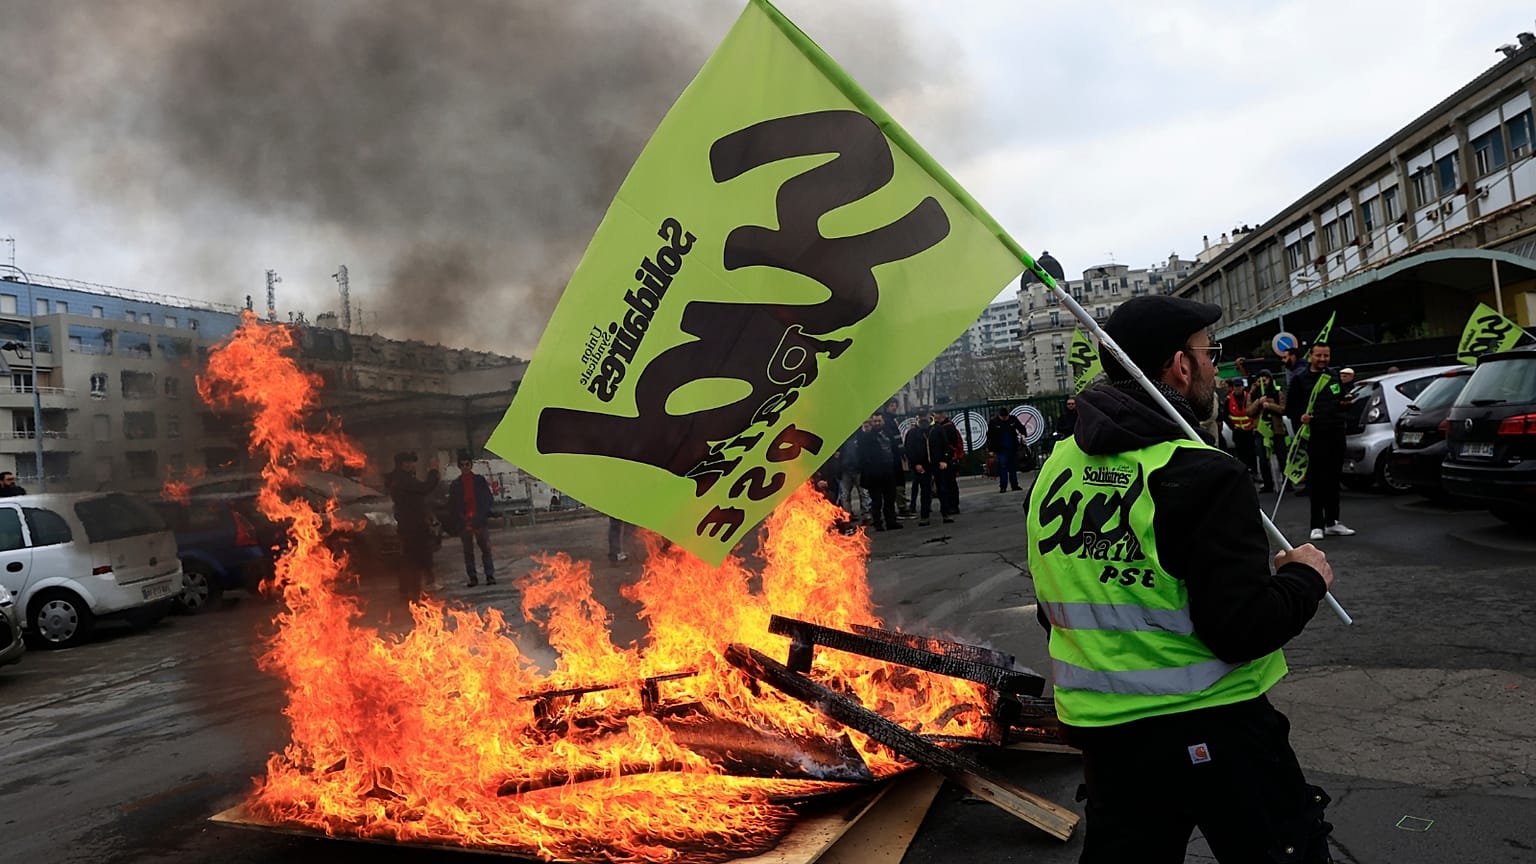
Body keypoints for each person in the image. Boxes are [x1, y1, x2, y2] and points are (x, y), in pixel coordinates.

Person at [1027, 295, 1337, 863]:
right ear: (1180, 365)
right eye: (1209, 353)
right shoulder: (1202, 474)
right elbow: (1240, 630)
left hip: (1107, 740)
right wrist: (1304, 579)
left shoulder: (1058, 467)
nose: (1215, 367)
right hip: (1217, 727)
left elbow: (1052, 603)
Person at [1287, 343, 1356, 541]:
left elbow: (1340, 400)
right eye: (1319, 355)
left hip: (1335, 432)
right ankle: (1316, 524)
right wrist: (1301, 416)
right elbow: (1291, 408)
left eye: (1326, 355)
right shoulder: (1300, 379)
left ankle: (1333, 521)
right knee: (1317, 481)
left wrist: (1346, 403)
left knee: (1334, 479)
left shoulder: (1334, 376)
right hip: (1315, 436)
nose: (1323, 359)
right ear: (1311, 356)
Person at [384, 451, 440, 600]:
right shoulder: (403, 480)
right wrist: (434, 471)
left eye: (412, 462)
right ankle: (413, 592)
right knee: (414, 559)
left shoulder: (403, 479)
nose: (411, 465)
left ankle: (409, 589)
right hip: (412, 526)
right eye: (407, 463)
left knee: (412, 557)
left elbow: (418, 500)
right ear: (400, 465)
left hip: (411, 524)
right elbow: (425, 488)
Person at [446, 450, 495, 587]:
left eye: (467, 464)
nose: (465, 467)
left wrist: (481, 516)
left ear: (471, 465)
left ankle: (489, 575)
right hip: (464, 522)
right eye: (462, 465)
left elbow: (487, 499)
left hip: (479, 520)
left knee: (485, 549)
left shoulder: (479, 481)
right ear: (459, 467)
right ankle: (473, 577)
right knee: (468, 552)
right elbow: (453, 504)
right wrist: (460, 519)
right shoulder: (456, 485)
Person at [857, 413, 902, 531]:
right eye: (875, 421)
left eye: (879, 421)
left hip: (889, 471)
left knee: (890, 499)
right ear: (871, 423)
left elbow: (895, 451)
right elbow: (862, 456)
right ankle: (878, 523)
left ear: (883, 422)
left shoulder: (889, 434)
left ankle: (891, 521)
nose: (877, 423)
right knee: (877, 501)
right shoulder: (866, 438)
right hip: (874, 474)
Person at [1247, 370, 1285, 493]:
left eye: (1265, 380)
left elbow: (1283, 409)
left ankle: (1286, 483)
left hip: (1276, 430)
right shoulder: (1252, 395)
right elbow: (1249, 412)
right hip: (1260, 431)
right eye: (1259, 381)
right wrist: (1258, 402)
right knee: (1263, 459)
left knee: (1282, 457)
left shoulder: (1277, 393)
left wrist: (1270, 405)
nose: (1262, 383)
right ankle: (1268, 483)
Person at [903, 412, 938, 525]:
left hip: (934, 464)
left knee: (936, 489)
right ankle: (924, 514)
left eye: (925, 416)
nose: (923, 419)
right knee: (923, 489)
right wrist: (916, 464)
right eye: (921, 417)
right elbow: (909, 449)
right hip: (920, 465)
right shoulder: (913, 433)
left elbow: (941, 445)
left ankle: (943, 512)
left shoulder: (934, 429)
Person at [987, 407, 1029, 493]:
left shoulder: (1012, 420)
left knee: (1013, 467)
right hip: (1001, 449)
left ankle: (1014, 485)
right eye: (1003, 417)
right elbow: (990, 437)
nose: (1005, 418)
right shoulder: (994, 423)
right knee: (1003, 467)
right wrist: (991, 450)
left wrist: (1023, 434)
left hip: (1012, 447)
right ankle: (1003, 486)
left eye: (1006, 417)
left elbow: (1021, 427)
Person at [931, 408, 962, 519]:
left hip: (949, 459)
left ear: (941, 415)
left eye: (936, 414)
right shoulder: (946, 426)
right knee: (948, 483)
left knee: (950, 483)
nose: (934, 417)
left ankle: (953, 505)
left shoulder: (947, 427)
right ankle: (951, 505)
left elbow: (949, 444)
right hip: (947, 458)